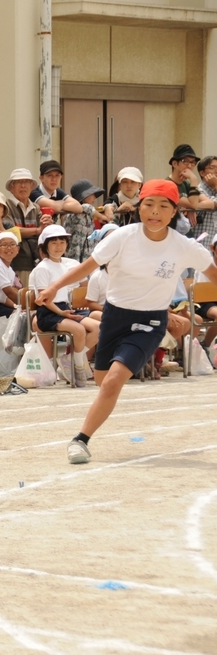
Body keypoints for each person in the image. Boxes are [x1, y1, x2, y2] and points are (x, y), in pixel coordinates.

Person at [37, 180, 217, 464]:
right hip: (114, 316)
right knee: (103, 381)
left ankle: (80, 440)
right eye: (149, 204)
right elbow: (87, 267)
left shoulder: (184, 246)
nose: (155, 212)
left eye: (163, 206)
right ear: (138, 207)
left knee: (112, 381)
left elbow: (213, 274)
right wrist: (53, 287)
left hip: (150, 321)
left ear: (174, 212)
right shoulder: (122, 236)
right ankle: (98, 411)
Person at [29, 224, 99, 386]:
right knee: (79, 330)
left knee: (98, 328)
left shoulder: (63, 266)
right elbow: (44, 299)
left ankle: (70, 359)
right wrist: (61, 313)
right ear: (45, 246)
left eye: (62, 242)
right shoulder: (42, 268)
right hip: (49, 313)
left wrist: (65, 311)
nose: (58, 246)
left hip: (64, 309)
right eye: (53, 243)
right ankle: (78, 367)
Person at [5, 168, 48, 288]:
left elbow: (44, 231)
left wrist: (47, 224)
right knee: (22, 296)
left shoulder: (36, 208)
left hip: (37, 261)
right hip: (17, 262)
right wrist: (37, 230)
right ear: (11, 187)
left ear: (31, 186)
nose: (23, 186)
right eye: (19, 182)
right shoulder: (6, 206)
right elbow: (11, 231)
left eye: (27, 182)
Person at [61, 179, 106, 262]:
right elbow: (86, 207)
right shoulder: (74, 212)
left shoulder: (88, 214)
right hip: (76, 251)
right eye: (91, 194)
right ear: (85, 197)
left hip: (88, 250)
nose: (94, 197)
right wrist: (102, 217)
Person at [83, 224, 120, 313]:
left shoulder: (128, 273)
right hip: (103, 311)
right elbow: (91, 303)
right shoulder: (97, 276)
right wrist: (107, 311)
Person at [168, 144, 201, 213]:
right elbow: (193, 205)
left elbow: (208, 202)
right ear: (174, 164)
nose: (190, 166)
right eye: (185, 161)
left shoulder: (186, 184)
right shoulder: (167, 185)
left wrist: (190, 208)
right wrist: (194, 179)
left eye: (193, 162)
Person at [193, 156, 217, 241]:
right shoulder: (197, 190)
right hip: (201, 243)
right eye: (212, 168)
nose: (216, 171)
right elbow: (211, 203)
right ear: (202, 173)